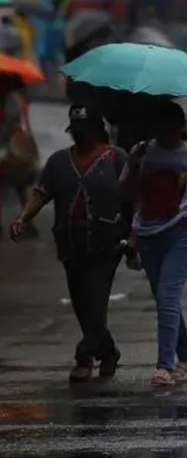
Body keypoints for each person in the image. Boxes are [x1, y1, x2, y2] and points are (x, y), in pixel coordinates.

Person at [10, 105, 127, 382]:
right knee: (82, 304)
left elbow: (134, 198)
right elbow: (41, 194)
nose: (81, 137)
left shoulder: (116, 159)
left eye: (86, 131)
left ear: (98, 132)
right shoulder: (59, 162)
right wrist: (23, 219)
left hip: (107, 244)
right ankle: (108, 352)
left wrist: (136, 234)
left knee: (96, 300)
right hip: (70, 243)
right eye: (77, 131)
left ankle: (84, 356)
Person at [119, 101, 187, 386]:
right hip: (147, 235)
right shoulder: (142, 151)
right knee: (163, 299)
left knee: (168, 296)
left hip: (183, 234)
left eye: (167, 127)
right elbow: (125, 193)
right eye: (157, 127)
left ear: (179, 127)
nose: (162, 133)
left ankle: (164, 366)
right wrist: (132, 168)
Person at [0, 76, 38, 233]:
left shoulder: (12, 99)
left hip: (10, 149)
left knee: (17, 185)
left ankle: (27, 224)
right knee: (19, 186)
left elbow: (9, 123)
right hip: (11, 149)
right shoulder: (14, 98)